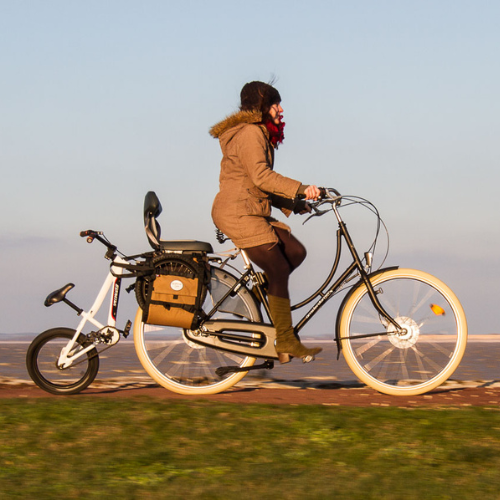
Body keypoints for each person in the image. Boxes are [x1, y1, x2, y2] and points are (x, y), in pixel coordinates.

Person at [209, 81, 322, 364]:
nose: (280, 109)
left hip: (250, 208)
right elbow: (260, 177)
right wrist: (300, 187)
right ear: (261, 107)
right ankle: (284, 340)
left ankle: (262, 290)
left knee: (295, 252)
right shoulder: (250, 133)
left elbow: (257, 182)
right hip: (237, 212)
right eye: (275, 104)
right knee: (278, 266)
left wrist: (295, 204)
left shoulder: (257, 133)